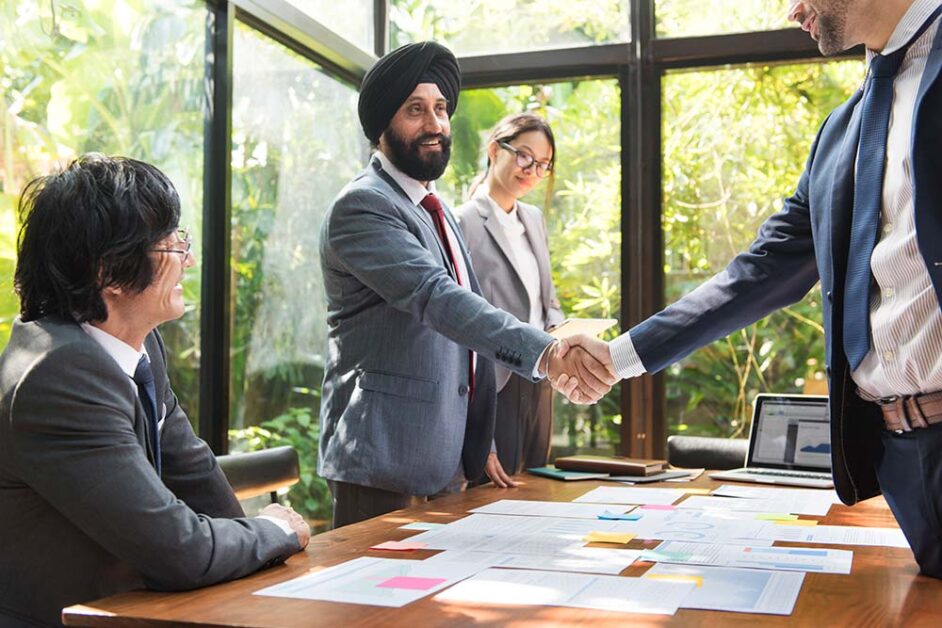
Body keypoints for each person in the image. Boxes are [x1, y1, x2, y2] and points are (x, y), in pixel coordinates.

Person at [564, 0, 942, 578]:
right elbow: (762, 271)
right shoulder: (840, 133)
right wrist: (617, 359)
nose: (793, 10)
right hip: (901, 462)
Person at [0, 154, 310, 626]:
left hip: (136, 610)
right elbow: (177, 549)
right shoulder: (57, 375)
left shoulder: (135, 343)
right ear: (109, 273)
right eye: (169, 244)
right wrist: (273, 530)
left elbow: (192, 466)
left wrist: (254, 543)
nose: (188, 257)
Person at [319, 41, 616, 528]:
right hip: (383, 465)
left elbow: (466, 336)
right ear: (381, 124)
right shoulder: (364, 207)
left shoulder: (435, 210)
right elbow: (438, 299)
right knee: (375, 606)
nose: (434, 124)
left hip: (447, 460)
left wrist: (481, 439)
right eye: (415, 110)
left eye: (440, 109)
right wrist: (546, 353)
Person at [456, 113, 565, 485]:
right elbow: (460, 314)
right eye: (523, 156)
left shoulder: (533, 218)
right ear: (494, 150)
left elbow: (544, 298)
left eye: (542, 164)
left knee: (537, 487)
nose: (532, 170)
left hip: (540, 375)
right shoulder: (464, 222)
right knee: (492, 493)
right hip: (494, 381)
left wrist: (563, 331)